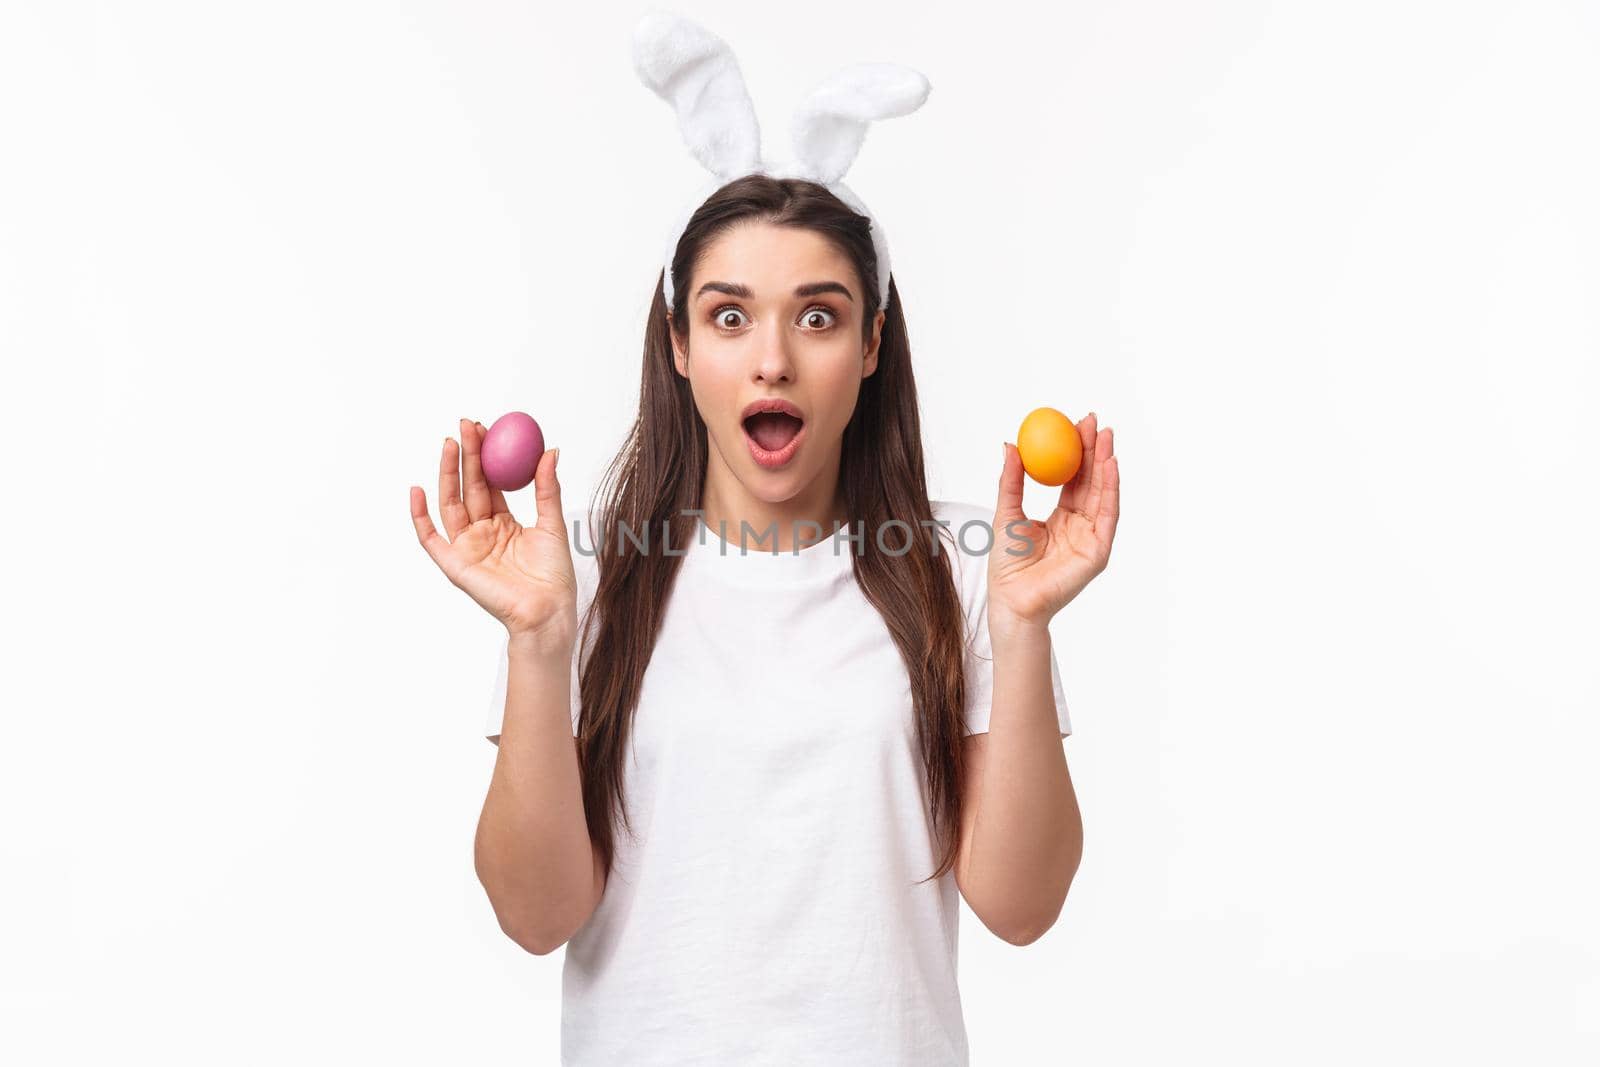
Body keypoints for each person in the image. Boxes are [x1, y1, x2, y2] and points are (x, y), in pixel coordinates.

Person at [408, 171, 1120, 1064]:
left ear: (871, 344)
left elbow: (1024, 907)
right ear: (678, 342)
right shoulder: (585, 576)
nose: (772, 358)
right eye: (729, 316)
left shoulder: (970, 570)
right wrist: (538, 642)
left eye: (818, 315)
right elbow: (533, 915)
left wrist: (1024, 630)